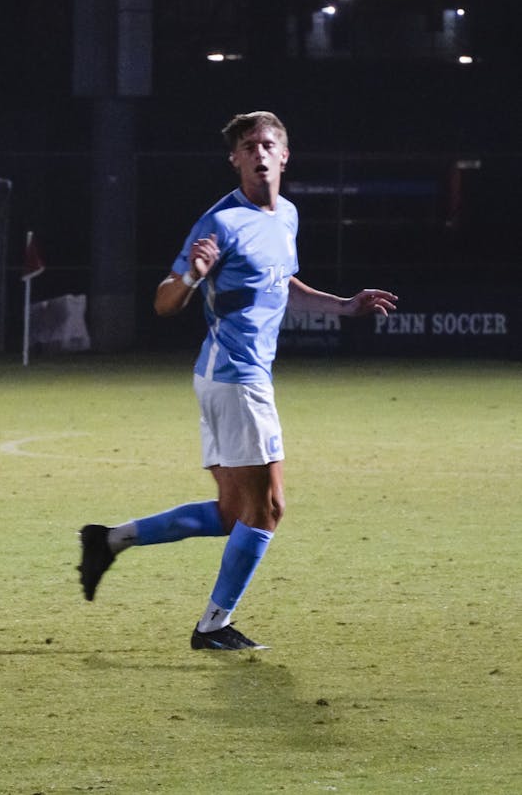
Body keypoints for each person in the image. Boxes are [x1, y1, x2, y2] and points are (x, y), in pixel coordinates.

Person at [76, 111, 398, 650]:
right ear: (235, 159)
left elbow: (281, 281)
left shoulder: (287, 216)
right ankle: (214, 626)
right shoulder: (220, 223)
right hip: (236, 378)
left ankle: (109, 540)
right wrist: (191, 277)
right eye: (248, 146)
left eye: (268, 144)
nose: (259, 153)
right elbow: (164, 301)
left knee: (234, 513)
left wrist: (344, 306)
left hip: (228, 378)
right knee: (268, 509)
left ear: (285, 154)